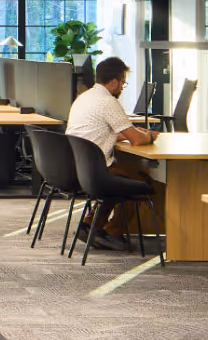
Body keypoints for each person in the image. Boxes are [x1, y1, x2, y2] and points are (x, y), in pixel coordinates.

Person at [66, 57, 155, 247]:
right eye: (122, 82)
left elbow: (106, 132)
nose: (122, 86)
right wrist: (150, 136)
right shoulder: (108, 102)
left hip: (78, 167)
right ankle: (112, 232)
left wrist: (133, 133)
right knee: (138, 181)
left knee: (121, 177)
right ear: (114, 81)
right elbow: (137, 140)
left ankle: (89, 224)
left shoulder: (84, 98)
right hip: (96, 170)